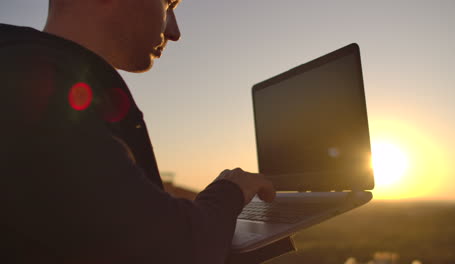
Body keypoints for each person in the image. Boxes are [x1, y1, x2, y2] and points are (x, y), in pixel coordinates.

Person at [0, 0, 276, 263]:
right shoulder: (31, 87)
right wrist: (231, 190)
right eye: (167, 4)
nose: (175, 31)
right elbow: (168, 252)